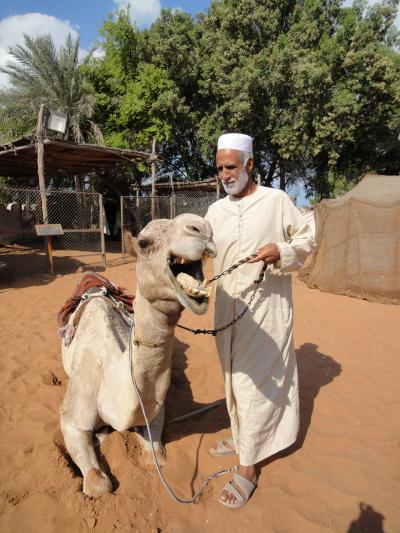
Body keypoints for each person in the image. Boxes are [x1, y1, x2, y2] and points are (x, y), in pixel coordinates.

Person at [204, 133, 315, 509]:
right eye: (220, 168)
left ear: (250, 165)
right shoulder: (216, 211)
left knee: (254, 384)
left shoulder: (276, 201)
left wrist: (279, 251)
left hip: (265, 311)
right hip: (225, 308)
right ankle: (242, 435)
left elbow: (307, 240)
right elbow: (202, 246)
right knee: (233, 378)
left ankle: (248, 466)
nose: (224, 174)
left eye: (231, 166)